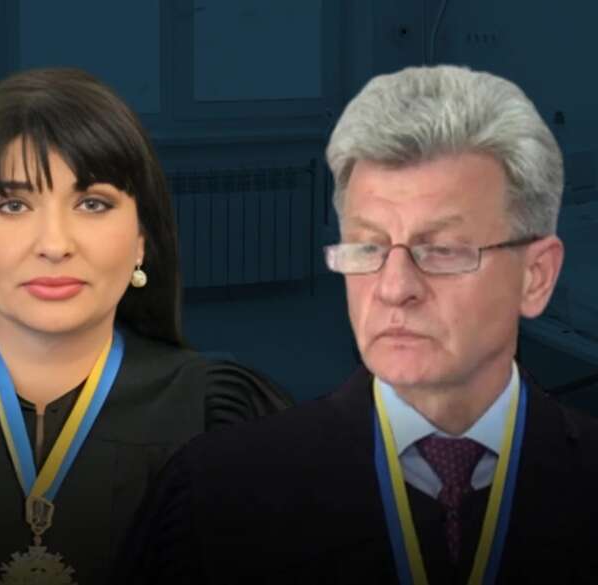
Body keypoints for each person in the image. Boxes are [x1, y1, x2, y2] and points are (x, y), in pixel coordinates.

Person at [112, 65, 598, 584]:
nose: (393, 287)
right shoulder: (214, 496)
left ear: (535, 277)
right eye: (368, 247)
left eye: (442, 250)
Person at [0, 68, 292, 585]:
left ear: (141, 240)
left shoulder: (221, 417)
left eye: (92, 204)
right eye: (13, 205)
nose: (54, 245)